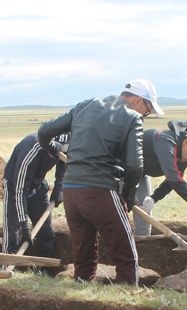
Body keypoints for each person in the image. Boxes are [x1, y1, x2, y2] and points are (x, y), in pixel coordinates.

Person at [37, 79, 162, 285]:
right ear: (139, 100)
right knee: (127, 255)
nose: (145, 116)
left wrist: (51, 149)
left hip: (71, 191)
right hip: (100, 191)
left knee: (83, 256)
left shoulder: (85, 106)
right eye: (147, 111)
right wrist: (129, 196)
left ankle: (82, 294)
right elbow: (134, 166)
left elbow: (44, 132)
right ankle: (127, 299)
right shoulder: (132, 117)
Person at [134, 121, 187, 237]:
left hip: (140, 175)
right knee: (117, 213)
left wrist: (153, 198)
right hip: (120, 171)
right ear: (186, 142)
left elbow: (172, 182)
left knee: (144, 214)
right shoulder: (165, 140)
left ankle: (140, 249)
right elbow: (173, 177)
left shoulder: (183, 157)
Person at [2, 133, 68, 258]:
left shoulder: (65, 147)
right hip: (14, 187)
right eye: (52, 154)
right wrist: (25, 226)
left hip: (38, 186)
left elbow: (63, 164)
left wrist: (59, 188)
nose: (53, 158)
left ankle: (44, 269)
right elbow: (20, 191)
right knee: (12, 233)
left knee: (46, 232)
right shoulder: (31, 151)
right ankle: (8, 266)